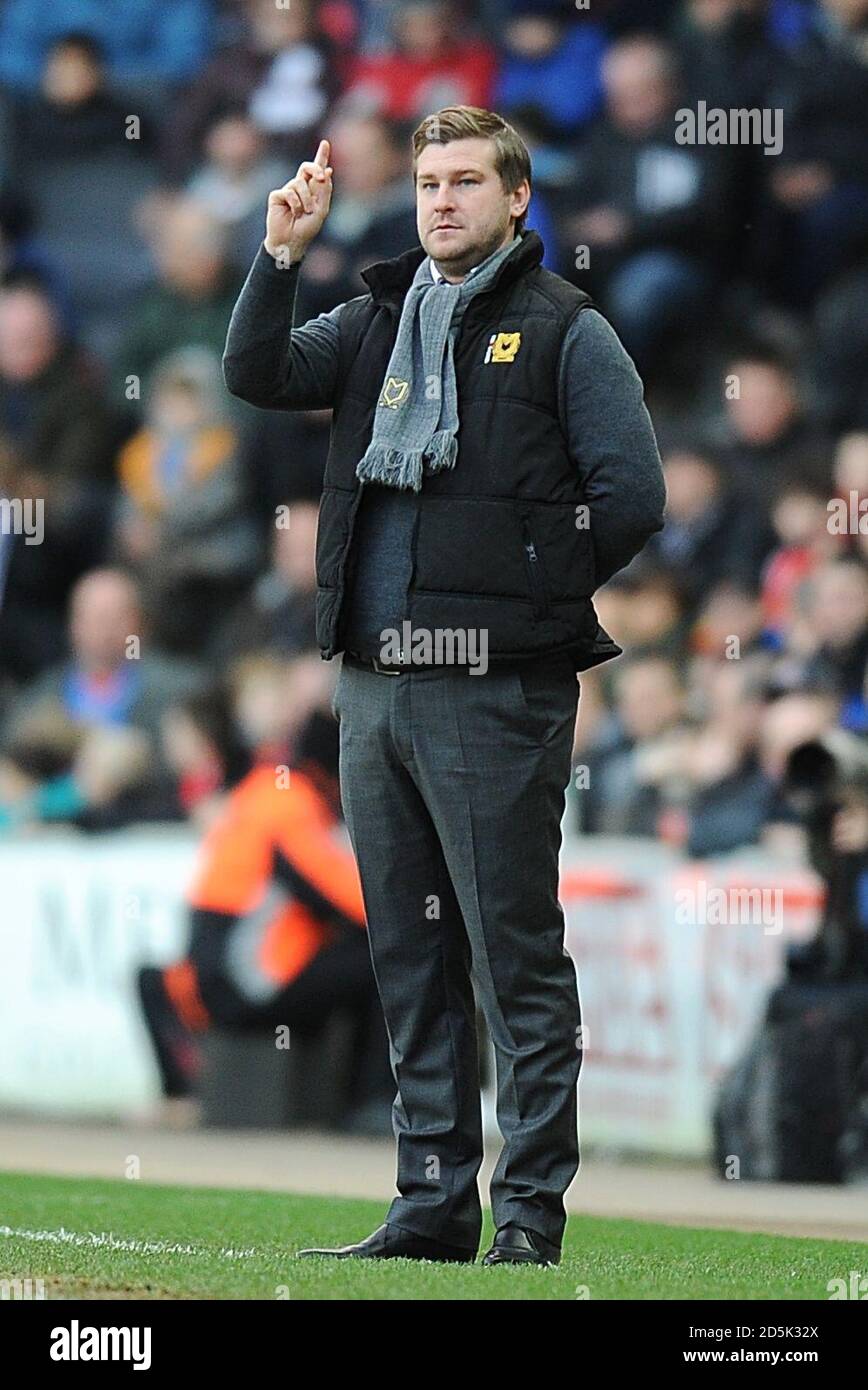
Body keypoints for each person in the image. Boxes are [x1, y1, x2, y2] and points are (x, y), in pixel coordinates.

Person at [223, 105, 665, 1267]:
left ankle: (525, 1215)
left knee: (512, 956)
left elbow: (630, 495)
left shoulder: (569, 330)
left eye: (467, 180)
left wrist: (521, 606)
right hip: (373, 690)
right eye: (427, 183)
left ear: (517, 198)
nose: (442, 202)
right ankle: (429, 1205)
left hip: (493, 690)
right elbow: (257, 370)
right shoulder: (379, 314)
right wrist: (279, 255)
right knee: (409, 961)